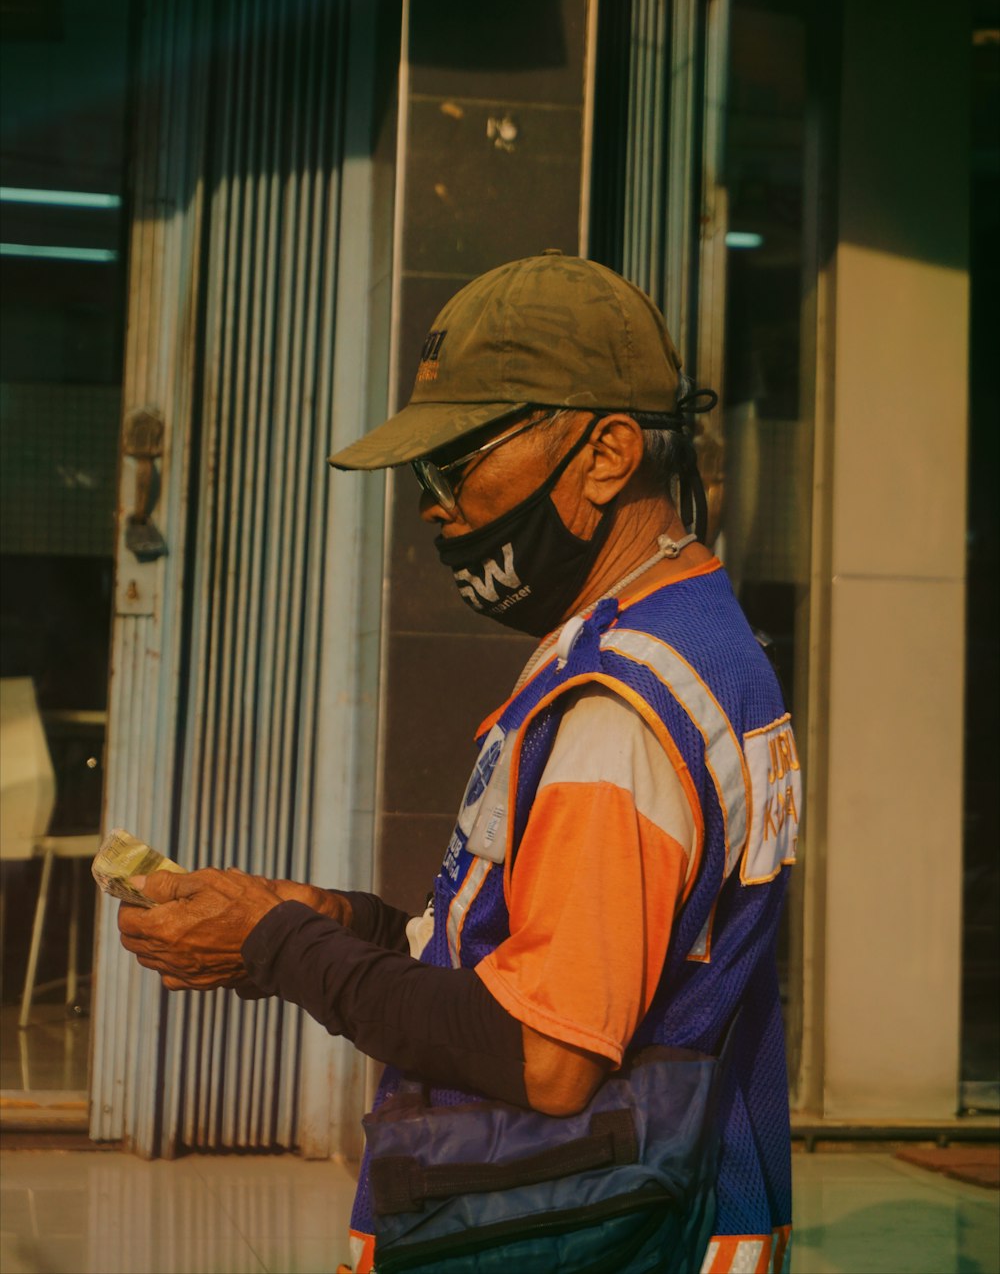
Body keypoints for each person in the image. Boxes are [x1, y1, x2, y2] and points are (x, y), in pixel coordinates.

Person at [119, 252, 800, 1274]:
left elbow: (545, 1052)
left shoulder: (619, 707)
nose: (434, 506)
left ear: (606, 452)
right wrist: (328, 918)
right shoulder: (681, 630)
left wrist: (276, 949)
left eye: (457, 463)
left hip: (583, 1231)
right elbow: (550, 957)